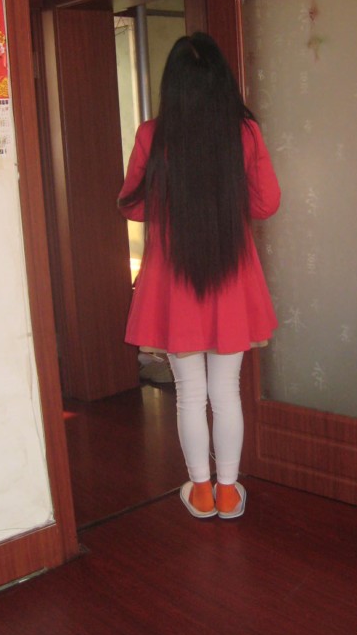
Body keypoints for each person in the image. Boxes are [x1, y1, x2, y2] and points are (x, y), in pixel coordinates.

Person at [118, 32, 280, 520]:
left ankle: (201, 491)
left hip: (174, 280)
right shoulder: (244, 132)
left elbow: (133, 206)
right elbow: (266, 204)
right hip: (231, 274)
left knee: (189, 392)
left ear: (172, 85)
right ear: (221, 81)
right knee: (226, 390)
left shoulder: (153, 134)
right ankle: (229, 492)